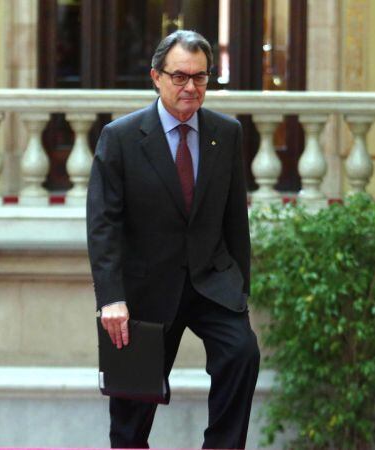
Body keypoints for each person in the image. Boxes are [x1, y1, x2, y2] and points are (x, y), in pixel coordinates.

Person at [87, 30, 260, 449]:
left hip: (211, 282)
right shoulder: (121, 137)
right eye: (180, 77)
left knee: (242, 353)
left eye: (200, 77)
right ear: (156, 77)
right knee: (130, 417)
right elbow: (103, 224)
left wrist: (240, 287)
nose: (191, 87)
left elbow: (236, 220)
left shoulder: (227, 133)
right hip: (144, 292)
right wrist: (111, 298)